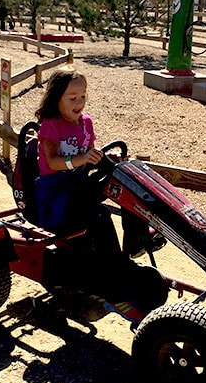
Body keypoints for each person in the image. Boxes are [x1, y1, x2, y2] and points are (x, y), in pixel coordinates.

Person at [34, 66, 159, 257]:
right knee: (100, 215)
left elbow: (91, 154)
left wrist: (106, 159)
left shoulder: (86, 123)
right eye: (72, 98)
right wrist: (82, 159)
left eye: (83, 96)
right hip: (57, 193)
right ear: (56, 98)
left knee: (129, 184)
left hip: (78, 183)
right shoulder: (51, 125)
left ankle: (136, 241)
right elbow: (52, 162)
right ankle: (114, 262)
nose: (79, 102)